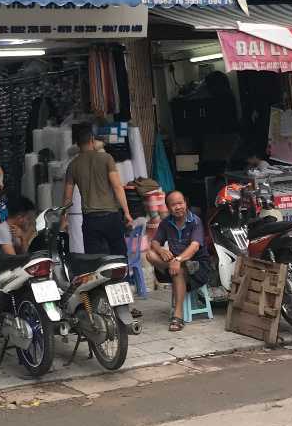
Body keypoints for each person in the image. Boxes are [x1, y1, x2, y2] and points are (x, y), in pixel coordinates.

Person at [146, 190, 210, 332]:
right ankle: (175, 268)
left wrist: (179, 259)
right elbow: (155, 242)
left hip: (198, 266)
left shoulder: (195, 221)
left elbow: (194, 247)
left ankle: (178, 315)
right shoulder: (166, 223)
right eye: (173, 205)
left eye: (180, 203)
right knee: (150, 254)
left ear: (186, 204)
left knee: (179, 269)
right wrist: (161, 250)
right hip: (175, 264)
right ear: (168, 208)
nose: (178, 207)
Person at [63, 124, 133, 255]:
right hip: (111, 217)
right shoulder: (106, 158)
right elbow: (117, 186)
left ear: (77, 144)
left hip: (90, 221)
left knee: (94, 262)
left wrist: (64, 220)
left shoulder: (72, 166)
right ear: (92, 140)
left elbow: (67, 197)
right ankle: (122, 276)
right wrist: (127, 212)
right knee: (119, 259)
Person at [0, 196, 36, 263]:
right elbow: (14, 261)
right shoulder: (3, 230)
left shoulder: (15, 229)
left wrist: (23, 238)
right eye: (28, 219)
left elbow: (25, 254)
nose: (30, 222)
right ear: (20, 218)